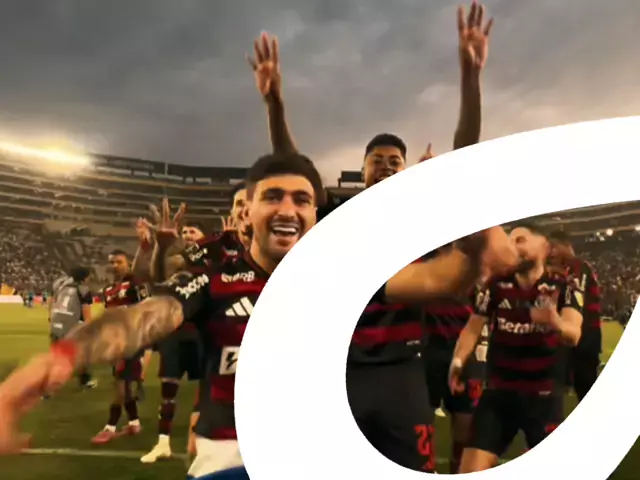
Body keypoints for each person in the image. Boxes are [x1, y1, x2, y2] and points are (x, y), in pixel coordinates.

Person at [0, 153, 518, 480]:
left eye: (301, 200)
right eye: (273, 197)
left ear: (315, 215)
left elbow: (447, 277)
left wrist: (471, 226)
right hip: (234, 460)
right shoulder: (215, 270)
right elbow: (143, 318)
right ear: (246, 211)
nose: (287, 209)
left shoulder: (343, 272)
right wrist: (50, 365)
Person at [248, 2, 494, 471]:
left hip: (403, 368)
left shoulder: (421, 218)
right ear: (361, 170)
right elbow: (292, 165)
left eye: (393, 161)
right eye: (376, 160)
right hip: (339, 367)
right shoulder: (338, 215)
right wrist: (275, 103)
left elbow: (465, 159)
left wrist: (470, 77)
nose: (384, 166)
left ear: (404, 170)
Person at [450, 223, 585, 473]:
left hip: (544, 396)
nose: (513, 247)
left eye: (520, 240)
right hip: (499, 393)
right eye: (510, 241)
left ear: (544, 246)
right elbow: (472, 327)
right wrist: (458, 361)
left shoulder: (564, 285)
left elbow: (573, 334)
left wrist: (554, 321)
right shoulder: (496, 284)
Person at [141, 220, 206, 464]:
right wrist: (159, 247)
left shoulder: (212, 262)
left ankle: (198, 441)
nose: (188, 235)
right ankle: (162, 444)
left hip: (202, 335)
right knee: (168, 392)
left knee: (206, 392)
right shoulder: (175, 262)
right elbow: (155, 277)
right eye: (185, 231)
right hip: (174, 336)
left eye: (193, 231)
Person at [90, 250, 151, 445]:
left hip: (130, 342)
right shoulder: (108, 289)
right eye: (112, 262)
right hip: (114, 342)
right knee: (122, 383)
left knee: (120, 383)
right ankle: (134, 422)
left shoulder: (135, 284)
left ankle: (110, 426)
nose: (115, 266)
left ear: (128, 263)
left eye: (119, 262)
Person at [548, 230, 602, 402]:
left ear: (566, 245)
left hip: (584, 337)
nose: (551, 253)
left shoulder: (577, 266)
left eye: (554, 247)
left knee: (584, 386)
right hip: (578, 336)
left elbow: (574, 298)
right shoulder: (573, 268)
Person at [48, 266, 96, 392]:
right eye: (88, 276)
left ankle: (49, 384)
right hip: (71, 325)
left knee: (57, 355)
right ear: (84, 278)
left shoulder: (59, 285)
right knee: (81, 353)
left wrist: (51, 317)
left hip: (56, 322)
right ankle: (85, 381)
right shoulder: (84, 289)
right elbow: (86, 311)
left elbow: (52, 301)